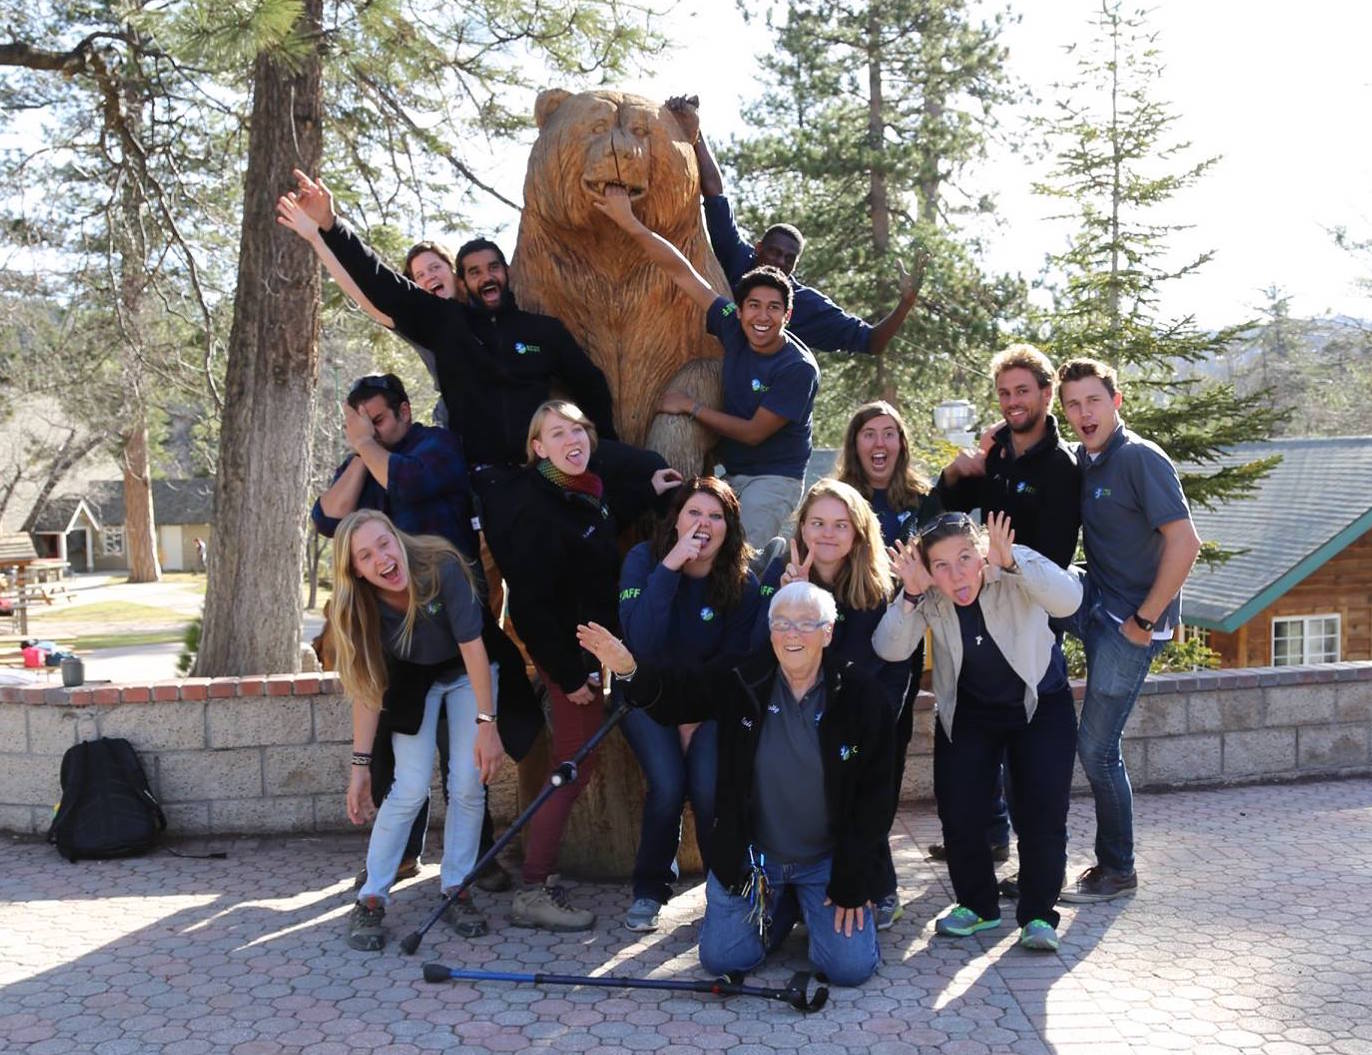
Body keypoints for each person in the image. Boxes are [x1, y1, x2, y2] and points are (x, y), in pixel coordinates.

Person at [577, 580, 894, 987]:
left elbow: (876, 798)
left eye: (805, 624)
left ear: (828, 632)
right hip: (756, 859)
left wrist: (855, 877)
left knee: (848, 969)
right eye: (781, 624)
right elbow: (680, 694)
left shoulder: (860, 695)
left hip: (826, 861)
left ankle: (801, 904)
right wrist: (628, 669)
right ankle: (780, 909)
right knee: (723, 959)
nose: (791, 634)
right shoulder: (744, 679)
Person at [277, 172, 618, 485]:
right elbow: (375, 288)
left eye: (435, 268)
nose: (429, 278)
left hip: (544, 459)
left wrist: (602, 446)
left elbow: (589, 383)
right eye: (419, 276)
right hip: (484, 467)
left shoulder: (532, 328)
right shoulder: (436, 322)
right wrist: (325, 230)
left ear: (458, 276)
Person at [480, 401, 681, 930]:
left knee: (578, 761)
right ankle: (533, 887)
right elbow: (529, 605)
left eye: (579, 428)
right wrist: (569, 674)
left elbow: (598, 531)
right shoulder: (533, 503)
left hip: (598, 647)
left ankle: (538, 879)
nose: (573, 438)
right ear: (537, 447)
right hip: (571, 656)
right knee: (573, 766)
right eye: (557, 432)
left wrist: (651, 490)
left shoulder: (585, 488)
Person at [874, 511, 1083, 951]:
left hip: (1038, 704)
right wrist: (910, 594)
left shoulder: (1010, 561)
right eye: (942, 566)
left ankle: (1039, 915)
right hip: (970, 711)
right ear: (929, 570)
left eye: (965, 558)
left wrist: (1013, 564)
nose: (957, 574)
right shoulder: (928, 593)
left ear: (981, 552)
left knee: (1041, 813)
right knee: (960, 812)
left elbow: (1069, 600)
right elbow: (889, 648)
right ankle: (978, 906)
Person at [928, 344, 1082, 874]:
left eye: (1023, 391)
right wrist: (954, 474)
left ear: (1045, 394)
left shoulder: (1061, 467)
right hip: (976, 612)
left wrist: (1002, 567)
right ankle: (990, 840)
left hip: (1029, 619)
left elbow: (1057, 559)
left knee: (1029, 760)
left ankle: (1034, 870)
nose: (1013, 401)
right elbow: (940, 519)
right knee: (979, 735)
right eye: (1004, 393)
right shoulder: (993, 455)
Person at [595, 185, 819, 545]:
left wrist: (692, 407)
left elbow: (752, 432)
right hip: (733, 474)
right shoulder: (732, 325)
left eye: (773, 308)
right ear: (740, 308)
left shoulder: (798, 368)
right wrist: (630, 222)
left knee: (739, 556)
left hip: (775, 478)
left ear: (787, 314)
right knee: (704, 549)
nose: (762, 316)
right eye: (754, 305)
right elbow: (681, 272)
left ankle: (772, 562)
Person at [1055, 358, 1201, 903]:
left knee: (1097, 750)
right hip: (1096, 601)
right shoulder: (1086, 459)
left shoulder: (1140, 458)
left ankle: (1118, 870)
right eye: (1072, 404)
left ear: (1116, 402)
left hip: (1129, 624)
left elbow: (1185, 543)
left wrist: (1146, 620)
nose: (1083, 413)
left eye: (1093, 401)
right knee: (1019, 582)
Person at [332, 510, 504, 952]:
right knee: (409, 786)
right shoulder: (358, 605)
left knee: (468, 781)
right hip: (412, 681)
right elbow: (368, 689)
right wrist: (360, 767)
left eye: (384, 544)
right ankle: (371, 897)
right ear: (355, 570)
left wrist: (487, 724)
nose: (382, 559)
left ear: (397, 537)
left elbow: (473, 649)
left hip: (467, 672)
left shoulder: (440, 565)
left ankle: (456, 887)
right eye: (366, 556)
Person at [667, 96, 923, 358]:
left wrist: (905, 303)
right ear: (758, 249)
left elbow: (872, 342)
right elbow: (715, 194)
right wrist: (695, 133)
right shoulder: (737, 257)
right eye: (774, 253)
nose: (779, 262)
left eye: (789, 259)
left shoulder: (803, 303)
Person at [616, 477, 762, 933]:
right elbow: (641, 642)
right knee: (667, 785)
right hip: (646, 695)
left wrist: (693, 714)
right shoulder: (643, 560)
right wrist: (672, 565)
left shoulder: (742, 581)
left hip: (709, 705)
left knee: (706, 789)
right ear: (676, 519)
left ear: (729, 527)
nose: (703, 524)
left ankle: (723, 889)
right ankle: (650, 889)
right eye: (694, 513)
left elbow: (732, 664)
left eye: (715, 516)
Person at [759, 477, 905, 928]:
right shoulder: (779, 571)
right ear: (802, 528)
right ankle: (789, 888)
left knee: (865, 796)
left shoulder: (882, 586)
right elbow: (759, 648)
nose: (827, 533)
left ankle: (878, 886)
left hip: (864, 713)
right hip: (796, 706)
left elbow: (891, 664)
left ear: (858, 532)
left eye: (840, 525)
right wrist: (790, 599)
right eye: (817, 522)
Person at [833, 402, 943, 928]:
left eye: (889, 434)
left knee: (884, 769)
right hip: (841, 648)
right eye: (867, 434)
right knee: (840, 768)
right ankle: (842, 876)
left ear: (901, 444)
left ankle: (880, 883)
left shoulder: (923, 503)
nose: (879, 443)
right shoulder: (843, 502)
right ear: (854, 445)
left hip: (897, 650)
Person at [311, 373, 477, 560]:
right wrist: (362, 450)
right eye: (362, 425)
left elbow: (408, 484)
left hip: (446, 580)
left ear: (404, 412)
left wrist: (365, 442)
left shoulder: (439, 443)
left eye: (377, 421)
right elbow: (328, 522)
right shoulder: (360, 459)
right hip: (388, 583)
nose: (371, 431)